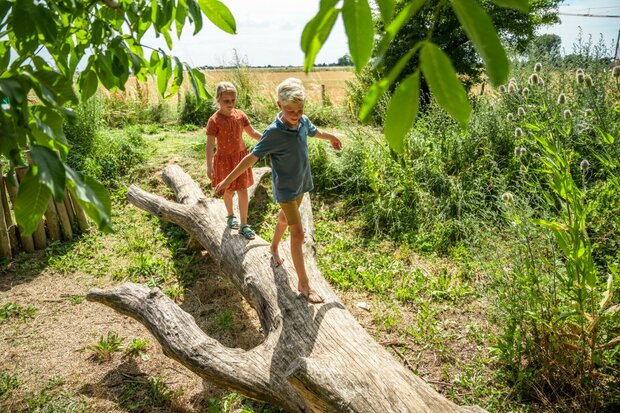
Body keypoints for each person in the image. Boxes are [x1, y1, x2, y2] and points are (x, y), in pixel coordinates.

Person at [215, 78, 342, 304]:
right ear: (279, 105)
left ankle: (273, 247)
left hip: (302, 183)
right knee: (298, 233)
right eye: (290, 110)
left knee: (284, 219)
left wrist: (331, 137)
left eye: (300, 110)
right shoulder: (273, 133)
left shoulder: (303, 121)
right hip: (285, 189)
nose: (295, 114)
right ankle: (303, 284)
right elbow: (250, 158)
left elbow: (314, 131)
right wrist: (226, 180)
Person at [206, 81, 262, 239]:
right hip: (223, 160)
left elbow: (252, 132)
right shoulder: (214, 120)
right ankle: (230, 215)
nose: (230, 104)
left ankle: (244, 225)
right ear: (218, 99)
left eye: (232, 100)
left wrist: (266, 140)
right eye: (226, 101)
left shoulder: (240, 115)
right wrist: (209, 165)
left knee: (243, 190)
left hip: (240, 159)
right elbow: (210, 144)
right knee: (228, 190)